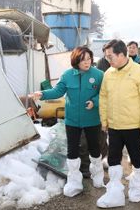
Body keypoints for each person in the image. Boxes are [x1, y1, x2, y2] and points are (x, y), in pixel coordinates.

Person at [30, 46, 104, 197]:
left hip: (92, 120)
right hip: (72, 120)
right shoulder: (67, 75)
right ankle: (74, 180)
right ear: (76, 60)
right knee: (72, 150)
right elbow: (58, 91)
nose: (87, 62)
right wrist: (42, 94)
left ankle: (98, 175)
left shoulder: (98, 74)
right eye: (83, 59)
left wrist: (94, 102)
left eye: (89, 58)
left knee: (95, 148)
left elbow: (104, 93)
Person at [97, 39, 140, 208]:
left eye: (110, 56)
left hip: (133, 126)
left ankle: (138, 187)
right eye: (106, 56)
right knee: (113, 158)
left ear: (122, 55)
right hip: (114, 125)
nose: (108, 60)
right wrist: (104, 120)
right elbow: (104, 97)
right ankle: (115, 193)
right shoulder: (109, 73)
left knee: (136, 157)